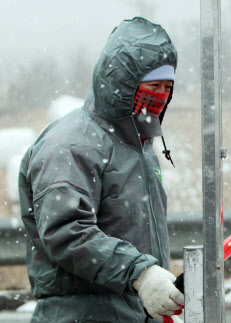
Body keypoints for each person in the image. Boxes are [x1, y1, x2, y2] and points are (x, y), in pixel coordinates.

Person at [19, 17, 184, 323]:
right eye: (152, 85)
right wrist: (141, 274)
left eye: (167, 87)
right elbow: (66, 231)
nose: (160, 96)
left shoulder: (138, 146)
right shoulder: (72, 144)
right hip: (81, 314)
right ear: (122, 81)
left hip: (132, 313)